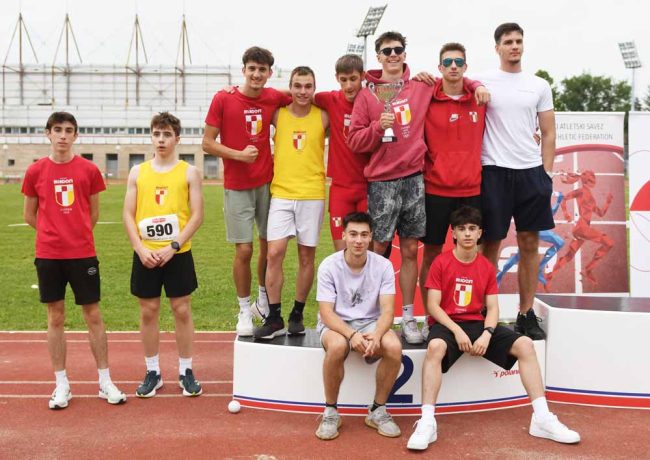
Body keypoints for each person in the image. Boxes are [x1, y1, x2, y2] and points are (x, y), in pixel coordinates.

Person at [348, 31, 488, 345]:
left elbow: (455, 80)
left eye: (398, 50)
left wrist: (477, 84)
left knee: (411, 250)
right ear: (378, 56)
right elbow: (355, 140)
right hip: (382, 181)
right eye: (387, 51)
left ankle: (409, 316)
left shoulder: (421, 86)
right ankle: (370, 315)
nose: (393, 55)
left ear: (404, 54)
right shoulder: (367, 95)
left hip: (414, 178)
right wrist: (377, 128)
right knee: (378, 250)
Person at [406, 206, 580, 450]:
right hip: (448, 325)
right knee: (435, 347)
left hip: (478, 324)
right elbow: (433, 306)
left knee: (525, 345)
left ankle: (542, 418)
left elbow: (493, 308)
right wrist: (456, 331)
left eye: (472, 229)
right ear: (453, 233)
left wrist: (487, 334)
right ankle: (427, 421)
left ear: (480, 233)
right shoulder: (441, 262)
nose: (467, 234)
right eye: (462, 229)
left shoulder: (486, 267)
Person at [22, 111, 126, 409]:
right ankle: (62, 384)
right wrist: (52, 234)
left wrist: (75, 234)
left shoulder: (89, 170)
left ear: (76, 135)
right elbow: (29, 214)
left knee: (93, 314)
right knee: (55, 316)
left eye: (69, 130)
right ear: (48, 133)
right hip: (48, 255)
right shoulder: (35, 171)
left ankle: (105, 381)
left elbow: (94, 213)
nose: (63, 135)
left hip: (82, 254)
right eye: (58, 129)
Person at [202, 47, 291, 337]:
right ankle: (243, 309)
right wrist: (238, 155)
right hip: (237, 185)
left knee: (269, 247)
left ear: (269, 73)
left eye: (262, 70)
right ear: (243, 70)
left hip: (268, 183)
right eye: (252, 68)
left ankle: (263, 300)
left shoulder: (273, 96)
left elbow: (301, 96)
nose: (256, 74)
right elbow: (207, 143)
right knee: (244, 249)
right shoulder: (223, 98)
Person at [477, 23, 556, 340]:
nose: (514, 46)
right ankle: (484, 314)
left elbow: (548, 132)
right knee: (490, 244)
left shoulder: (539, 85)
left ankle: (525, 314)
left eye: (518, 41)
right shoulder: (482, 81)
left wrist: (546, 173)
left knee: (529, 244)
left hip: (530, 173)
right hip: (493, 171)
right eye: (508, 41)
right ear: (497, 47)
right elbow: (450, 85)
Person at [124, 112, 204, 397]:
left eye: (167, 134)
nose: (161, 139)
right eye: (157, 134)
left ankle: (186, 371)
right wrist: (140, 249)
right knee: (148, 311)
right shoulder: (137, 172)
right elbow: (128, 214)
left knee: (181, 309)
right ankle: (152, 372)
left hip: (177, 252)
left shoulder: (189, 172)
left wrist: (174, 247)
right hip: (146, 253)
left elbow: (197, 215)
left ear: (177, 139)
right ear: (151, 137)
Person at [418, 42, 486, 342]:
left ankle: (473, 316)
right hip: (435, 188)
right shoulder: (427, 96)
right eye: (448, 62)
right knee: (432, 254)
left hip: (471, 187)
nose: (454, 66)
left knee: (472, 253)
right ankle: (429, 317)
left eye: (459, 62)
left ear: (466, 67)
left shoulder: (479, 97)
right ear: (440, 67)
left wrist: (476, 84)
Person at [254, 66, 329, 339]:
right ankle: (274, 317)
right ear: (290, 87)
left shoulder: (323, 116)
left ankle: (297, 312)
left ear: (314, 88)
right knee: (274, 253)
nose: (302, 91)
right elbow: (262, 95)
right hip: (282, 193)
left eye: (308, 86)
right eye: (297, 86)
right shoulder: (278, 114)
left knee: (306, 256)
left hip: (312, 194)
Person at [315, 212, 402, 440]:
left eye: (364, 235)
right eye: (353, 234)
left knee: (393, 347)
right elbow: (326, 313)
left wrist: (377, 335)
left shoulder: (383, 265)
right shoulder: (329, 265)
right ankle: (331, 412)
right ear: (344, 235)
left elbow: (388, 311)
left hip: (370, 322)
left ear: (371, 236)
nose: (358, 240)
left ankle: (377, 410)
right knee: (337, 346)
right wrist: (352, 334)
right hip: (337, 324)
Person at [314, 54, 370, 251]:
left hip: (368, 188)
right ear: (337, 78)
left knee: (366, 249)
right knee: (341, 251)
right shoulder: (330, 99)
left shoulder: (373, 101)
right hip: (340, 188)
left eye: (353, 79)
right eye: (343, 80)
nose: (348, 85)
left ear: (362, 76)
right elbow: (299, 95)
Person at [545, 171, 613, 288]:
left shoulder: (589, 196)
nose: (595, 181)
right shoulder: (581, 191)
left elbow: (600, 213)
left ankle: (549, 276)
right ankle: (588, 270)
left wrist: (607, 203)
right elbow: (564, 198)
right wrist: (566, 214)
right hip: (583, 228)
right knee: (608, 243)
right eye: (592, 179)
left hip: (581, 229)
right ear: (588, 181)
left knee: (569, 256)